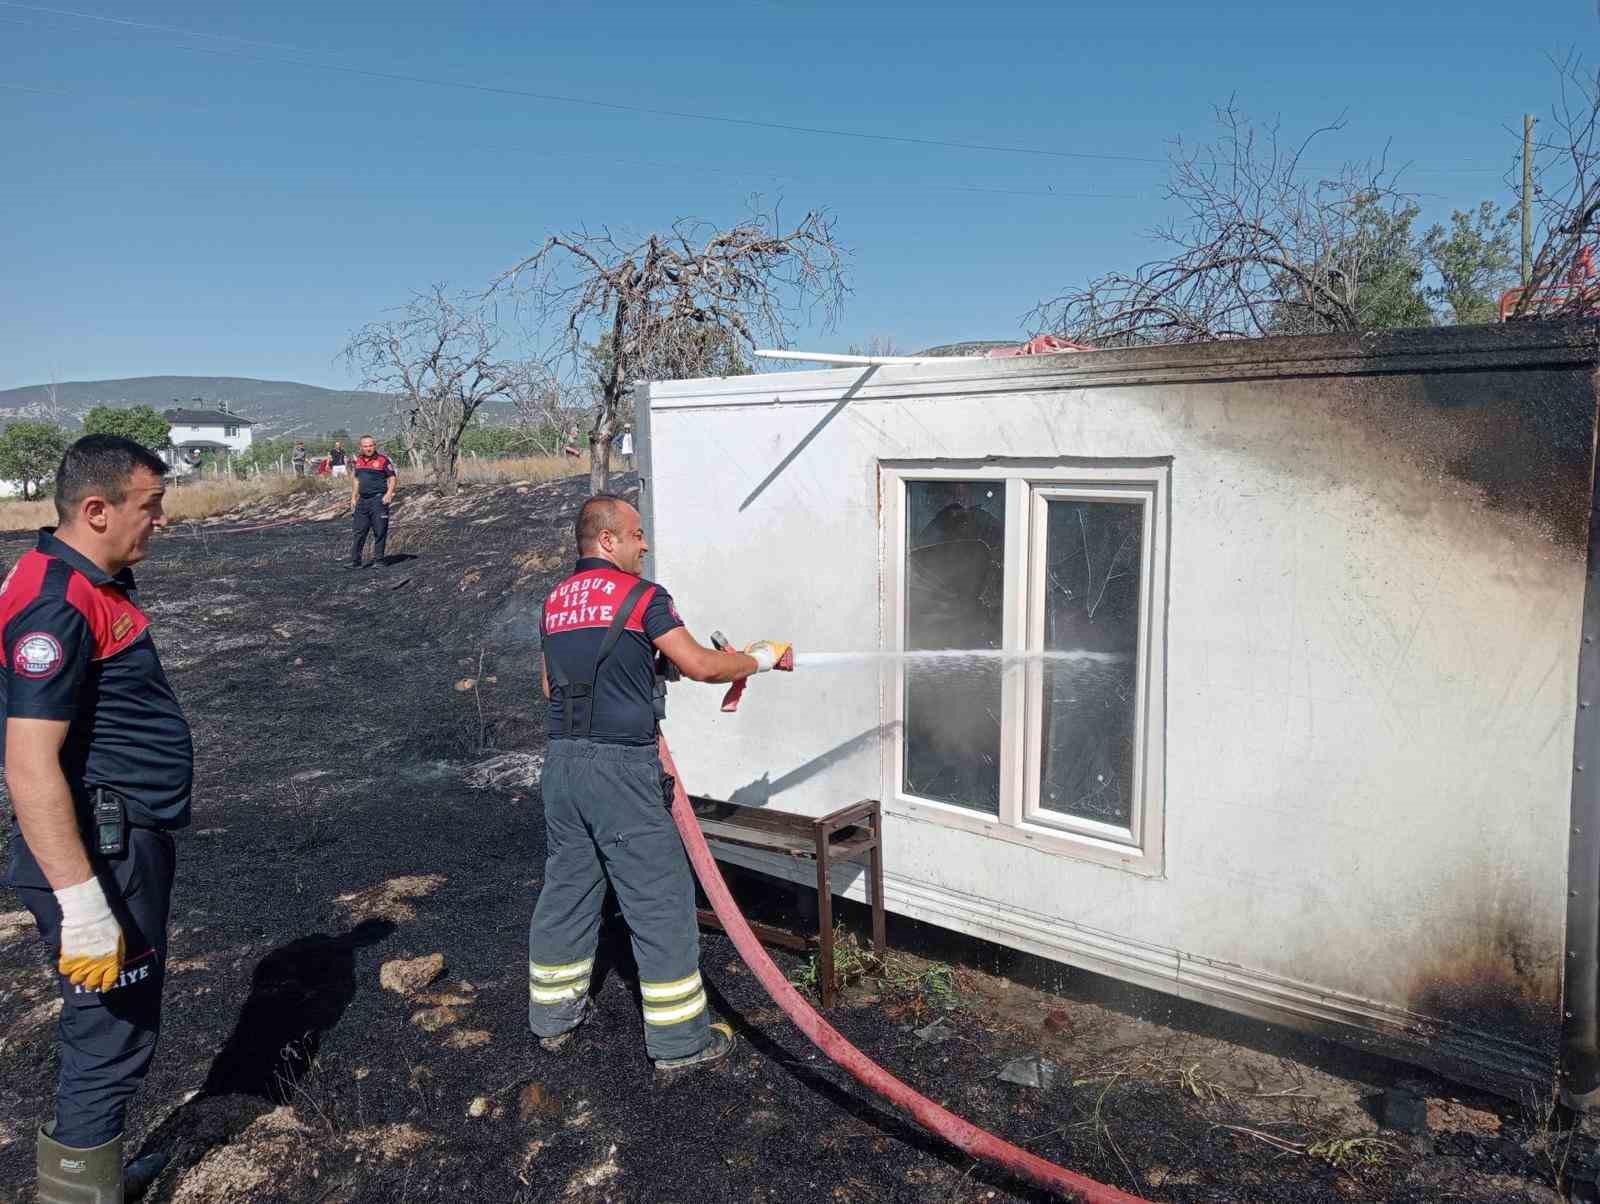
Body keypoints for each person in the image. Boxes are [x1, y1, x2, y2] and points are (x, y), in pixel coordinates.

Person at [529, 493, 791, 1073]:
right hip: (620, 769)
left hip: (562, 767)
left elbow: (554, 689)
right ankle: (680, 1043)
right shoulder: (644, 596)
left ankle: (552, 1018)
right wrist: (758, 660)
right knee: (660, 899)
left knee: (569, 888)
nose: (644, 545)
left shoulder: (553, 604)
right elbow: (700, 664)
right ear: (606, 540)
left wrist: (642, 667)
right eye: (637, 534)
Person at [1, 435, 192, 1202]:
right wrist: (83, 904)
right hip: (101, 855)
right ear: (96, 509)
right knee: (110, 1029)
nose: (161, 520)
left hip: (119, 840)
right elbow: (28, 762)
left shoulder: (84, 577)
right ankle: (77, 1191)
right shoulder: (57, 600)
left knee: (112, 1022)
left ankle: (94, 1176)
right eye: (150, 506)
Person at [347, 435, 396, 569]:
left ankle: (379, 560)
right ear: (361, 447)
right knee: (359, 531)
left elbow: (392, 478)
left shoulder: (383, 460)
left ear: (374, 446)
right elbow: (356, 480)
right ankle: (355, 561)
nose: (368, 448)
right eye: (365, 446)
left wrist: (389, 493)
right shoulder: (358, 461)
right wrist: (353, 497)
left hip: (378, 500)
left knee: (380, 530)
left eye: (370, 445)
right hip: (362, 501)